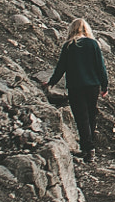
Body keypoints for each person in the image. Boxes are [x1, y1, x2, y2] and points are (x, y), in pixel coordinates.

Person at [45, 17, 108, 162]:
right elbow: (101, 67)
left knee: (81, 117)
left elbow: (61, 67)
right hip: (93, 86)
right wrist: (104, 85)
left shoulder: (69, 46)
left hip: (76, 86)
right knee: (91, 115)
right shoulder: (93, 44)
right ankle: (89, 148)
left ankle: (88, 149)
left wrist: (51, 83)